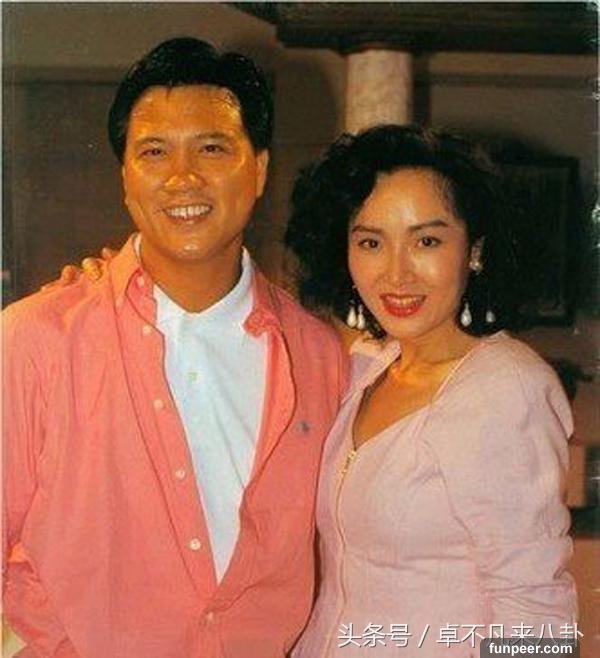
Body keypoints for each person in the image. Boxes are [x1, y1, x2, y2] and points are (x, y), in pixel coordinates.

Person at [2, 37, 347, 657]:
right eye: (154, 152)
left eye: (212, 148)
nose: (182, 177)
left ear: (259, 169)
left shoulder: (319, 358)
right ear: (125, 178)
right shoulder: (35, 341)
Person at [284, 125, 577, 656]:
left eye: (427, 241)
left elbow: (536, 608)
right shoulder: (369, 371)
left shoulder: (502, 389)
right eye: (371, 242)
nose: (397, 273)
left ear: (474, 250)